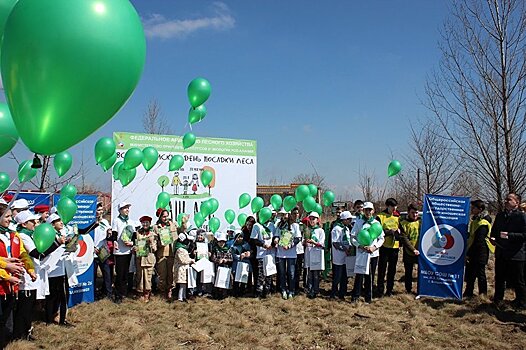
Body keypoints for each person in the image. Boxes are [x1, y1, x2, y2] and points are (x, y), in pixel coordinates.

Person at [13, 210, 62, 341]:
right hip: (26, 276)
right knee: (24, 307)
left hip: (33, 274)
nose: (35, 223)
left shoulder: (30, 235)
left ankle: (26, 332)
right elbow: (37, 254)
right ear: (24, 224)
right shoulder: (23, 236)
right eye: (32, 221)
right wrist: (57, 244)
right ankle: (20, 335)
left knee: (29, 306)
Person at [0, 204, 36, 347]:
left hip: (10, 288)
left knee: (7, 325)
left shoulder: (13, 235)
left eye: (10, 216)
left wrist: (30, 269)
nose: (10, 220)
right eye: (7, 216)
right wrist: (6, 275)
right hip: (3, 284)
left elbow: (22, 254)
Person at [490, 193, 526, 309]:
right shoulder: (500, 215)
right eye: (505, 199)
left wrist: (510, 235)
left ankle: (521, 301)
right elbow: (494, 230)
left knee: (518, 280)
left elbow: (524, 235)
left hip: (516, 253)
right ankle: (498, 300)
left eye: (509, 199)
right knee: (499, 278)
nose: (506, 201)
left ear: (517, 202)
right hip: (501, 252)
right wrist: (493, 238)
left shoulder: (522, 216)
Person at [351, 202, 385, 303]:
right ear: (363, 211)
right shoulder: (358, 223)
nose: (368, 212)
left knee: (370, 276)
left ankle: (368, 297)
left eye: (370, 210)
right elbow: (353, 237)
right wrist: (359, 246)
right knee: (359, 275)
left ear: (373, 211)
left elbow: (381, 238)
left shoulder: (376, 224)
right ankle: (355, 297)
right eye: (366, 210)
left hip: (373, 254)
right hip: (361, 253)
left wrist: (374, 247)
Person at [464, 200, 492, 298]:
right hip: (473, 251)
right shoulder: (475, 220)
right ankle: (468, 292)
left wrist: (469, 253)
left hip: (480, 252)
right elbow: (472, 236)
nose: (472, 210)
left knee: (480, 274)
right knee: (471, 273)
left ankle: (482, 294)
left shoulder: (483, 223)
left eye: (474, 208)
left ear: (480, 209)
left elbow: (479, 240)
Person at [275, 207, 301, 300]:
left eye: (285, 214)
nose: (283, 216)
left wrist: (289, 246)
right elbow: (276, 235)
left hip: (291, 253)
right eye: (282, 214)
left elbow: (298, 238)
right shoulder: (279, 225)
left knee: (291, 272)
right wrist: (276, 240)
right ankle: (283, 290)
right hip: (280, 253)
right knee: (282, 272)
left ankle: (291, 290)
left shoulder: (295, 226)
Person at [376, 198, 400, 297]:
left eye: (396, 207)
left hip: (395, 247)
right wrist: (390, 232)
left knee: (392, 270)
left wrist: (398, 232)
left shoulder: (397, 216)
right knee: (382, 270)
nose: (394, 209)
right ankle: (380, 290)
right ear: (387, 206)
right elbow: (378, 232)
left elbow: (401, 230)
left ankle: (389, 290)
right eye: (392, 207)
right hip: (384, 247)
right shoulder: (380, 216)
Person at [112, 202, 134, 304]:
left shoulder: (130, 221)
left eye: (128, 208)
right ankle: (117, 295)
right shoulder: (116, 220)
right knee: (120, 274)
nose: (127, 210)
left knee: (126, 273)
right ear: (120, 210)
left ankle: (123, 293)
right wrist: (114, 242)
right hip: (119, 251)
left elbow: (133, 235)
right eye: (125, 208)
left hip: (128, 251)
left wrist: (132, 243)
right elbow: (114, 234)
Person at [153, 209, 177, 299]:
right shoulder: (156, 227)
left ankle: (170, 290)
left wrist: (183, 223)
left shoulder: (173, 225)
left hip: (171, 253)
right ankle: (162, 291)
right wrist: (159, 243)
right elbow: (154, 241)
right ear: (160, 217)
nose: (166, 218)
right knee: (162, 274)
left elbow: (180, 232)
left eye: (167, 216)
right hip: (161, 253)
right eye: (163, 216)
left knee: (171, 273)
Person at [250, 212, 275, 298]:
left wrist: (274, 243)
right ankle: (258, 293)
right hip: (261, 254)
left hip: (271, 254)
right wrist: (263, 245)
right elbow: (253, 239)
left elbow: (275, 237)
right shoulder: (257, 226)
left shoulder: (272, 225)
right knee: (261, 275)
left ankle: (267, 292)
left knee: (269, 274)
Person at [330, 211, 353, 300]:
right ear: (344, 219)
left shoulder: (346, 229)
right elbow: (335, 243)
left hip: (346, 257)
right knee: (337, 276)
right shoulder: (336, 229)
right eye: (348, 219)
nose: (350, 221)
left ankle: (342, 293)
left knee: (344, 276)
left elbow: (348, 240)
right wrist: (344, 249)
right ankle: (333, 293)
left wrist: (350, 248)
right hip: (338, 257)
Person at [399, 204, 421, 294]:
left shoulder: (421, 222)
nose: (415, 215)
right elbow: (404, 239)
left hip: (421, 252)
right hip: (409, 252)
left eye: (416, 213)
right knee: (408, 272)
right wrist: (413, 249)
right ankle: (408, 290)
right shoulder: (403, 224)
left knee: (421, 272)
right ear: (408, 212)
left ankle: (420, 290)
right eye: (413, 213)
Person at [134, 216, 157, 302]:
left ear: (150, 223)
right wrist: (135, 248)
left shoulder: (153, 234)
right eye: (143, 222)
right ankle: (140, 292)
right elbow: (135, 244)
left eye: (147, 222)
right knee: (140, 277)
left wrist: (151, 243)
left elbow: (155, 249)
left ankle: (147, 293)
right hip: (140, 258)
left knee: (148, 277)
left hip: (149, 259)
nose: (145, 224)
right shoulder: (138, 233)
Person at [93, 202, 113, 300]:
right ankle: (93, 294)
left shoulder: (105, 221)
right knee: (93, 275)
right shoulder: (91, 221)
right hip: (93, 251)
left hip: (103, 250)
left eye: (101, 210)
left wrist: (109, 233)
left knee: (107, 273)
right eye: (98, 210)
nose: (100, 212)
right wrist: (92, 247)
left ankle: (108, 294)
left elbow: (109, 233)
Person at [304, 212, 325, 299]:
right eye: (311, 219)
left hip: (316, 253)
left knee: (316, 273)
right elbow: (303, 241)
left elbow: (322, 243)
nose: (312, 221)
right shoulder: (307, 230)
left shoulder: (320, 230)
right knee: (309, 273)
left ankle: (316, 290)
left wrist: (314, 242)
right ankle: (309, 289)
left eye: (314, 219)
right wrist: (305, 242)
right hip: (309, 252)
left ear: (317, 220)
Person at [173, 232, 195, 302]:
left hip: (184, 269)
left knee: (184, 284)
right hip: (181, 269)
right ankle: (180, 298)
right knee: (182, 285)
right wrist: (191, 260)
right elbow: (183, 260)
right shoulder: (180, 249)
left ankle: (184, 296)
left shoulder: (183, 249)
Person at [211, 232, 233, 299]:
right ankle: (217, 295)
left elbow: (231, 259)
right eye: (220, 242)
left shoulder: (228, 249)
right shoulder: (215, 249)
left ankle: (225, 295)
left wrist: (226, 260)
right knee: (217, 281)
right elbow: (213, 258)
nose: (221, 243)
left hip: (226, 268)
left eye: (223, 242)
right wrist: (218, 260)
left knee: (225, 281)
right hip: (217, 268)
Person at [231, 229, 251, 297]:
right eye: (238, 237)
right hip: (236, 264)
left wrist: (246, 254)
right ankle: (235, 291)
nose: (239, 238)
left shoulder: (246, 244)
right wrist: (240, 256)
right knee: (236, 278)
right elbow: (233, 255)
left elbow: (249, 252)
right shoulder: (233, 246)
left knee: (243, 278)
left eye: (241, 237)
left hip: (245, 264)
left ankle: (242, 291)